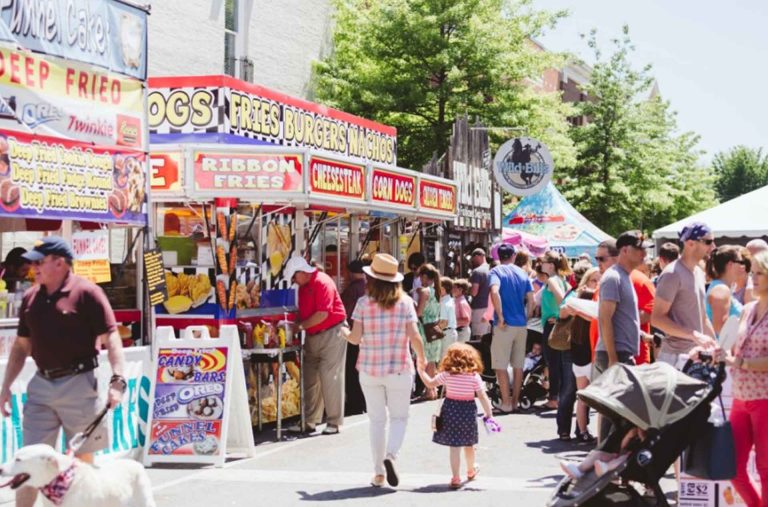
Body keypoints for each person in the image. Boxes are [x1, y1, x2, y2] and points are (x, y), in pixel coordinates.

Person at [0, 237, 126, 507]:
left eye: (39, 261)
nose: (33, 267)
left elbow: (111, 337)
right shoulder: (32, 297)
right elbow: (22, 345)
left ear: (60, 263)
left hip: (80, 384)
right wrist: (6, 386)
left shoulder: (87, 293)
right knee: (28, 463)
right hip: (41, 385)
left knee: (82, 468)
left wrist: (118, 379)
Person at [344, 253, 426, 488]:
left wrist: (344, 333)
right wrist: (422, 359)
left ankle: (379, 473)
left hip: (369, 370)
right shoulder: (406, 302)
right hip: (399, 368)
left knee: (377, 421)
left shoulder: (363, 303)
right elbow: (415, 336)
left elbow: (355, 338)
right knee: (400, 417)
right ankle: (391, 455)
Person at [594, 231, 649, 442]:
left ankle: (605, 464)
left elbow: (620, 318)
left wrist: (641, 335)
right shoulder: (613, 277)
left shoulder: (623, 276)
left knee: (617, 415)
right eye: (640, 249)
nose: (645, 254)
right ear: (625, 250)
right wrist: (613, 358)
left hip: (621, 353)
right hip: (616, 354)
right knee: (616, 415)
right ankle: (603, 462)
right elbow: (605, 319)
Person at [285, 255, 348, 434]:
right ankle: (309, 421)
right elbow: (306, 313)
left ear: (302, 272)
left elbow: (323, 314)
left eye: (294, 277)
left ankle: (334, 422)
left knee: (330, 377)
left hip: (332, 332)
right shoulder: (304, 287)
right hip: (313, 334)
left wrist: (299, 327)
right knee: (310, 377)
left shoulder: (322, 282)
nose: (294, 281)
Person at [417, 342, 494, 490]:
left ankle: (456, 477)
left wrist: (421, 371)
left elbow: (431, 383)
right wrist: (488, 413)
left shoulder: (447, 375)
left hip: (451, 409)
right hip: (467, 411)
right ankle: (471, 470)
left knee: (454, 446)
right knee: (469, 444)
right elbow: (482, 396)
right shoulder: (474, 376)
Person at [724, 249, 768, 506]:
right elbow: (732, 345)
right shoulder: (748, 308)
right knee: (733, 466)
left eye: (760, 273)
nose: (754, 278)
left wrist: (740, 362)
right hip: (741, 398)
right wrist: (715, 348)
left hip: (764, 398)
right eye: (753, 273)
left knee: (765, 469)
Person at [651, 222, 718, 370]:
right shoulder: (672, 273)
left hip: (695, 356)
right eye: (708, 242)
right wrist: (694, 335)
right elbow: (657, 319)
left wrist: (716, 346)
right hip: (674, 357)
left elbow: (703, 317)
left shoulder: (699, 273)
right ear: (690, 243)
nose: (713, 247)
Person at [489, 244, 533, 413]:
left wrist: (500, 316)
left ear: (499, 256)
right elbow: (531, 299)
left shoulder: (496, 272)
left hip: (505, 325)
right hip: (521, 324)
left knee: (500, 365)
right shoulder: (523, 273)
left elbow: (494, 291)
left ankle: (506, 403)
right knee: (518, 365)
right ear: (513, 256)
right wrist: (526, 317)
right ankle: (515, 402)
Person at [562, 266, 600, 442]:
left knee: (581, 398)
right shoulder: (593, 319)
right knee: (595, 399)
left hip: (578, 360)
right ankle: (587, 432)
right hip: (589, 359)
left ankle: (582, 431)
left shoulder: (577, 320)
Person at [539, 250, 572, 415]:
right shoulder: (562, 280)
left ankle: (554, 398)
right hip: (558, 324)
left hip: (553, 325)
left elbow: (563, 300)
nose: (541, 263)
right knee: (559, 363)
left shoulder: (552, 280)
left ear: (551, 265)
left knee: (553, 363)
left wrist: (559, 315)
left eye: (544, 261)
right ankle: (557, 397)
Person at [560, 427, 646, 480]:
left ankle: (606, 467)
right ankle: (579, 469)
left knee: (623, 458)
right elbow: (623, 447)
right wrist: (629, 436)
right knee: (597, 454)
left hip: (632, 459)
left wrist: (642, 437)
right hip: (619, 454)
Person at [341, 260, 368, 416]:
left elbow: (346, 312)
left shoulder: (352, 290)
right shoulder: (368, 287)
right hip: (367, 334)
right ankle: (363, 402)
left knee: (351, 370)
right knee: (360, 370)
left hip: (353, 333)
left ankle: (355, 403)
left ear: (350, 272)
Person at [705, 245, 745, 336]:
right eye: (741, 262)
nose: (743, 266)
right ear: (730, 264)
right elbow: (721, 329)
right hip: (724, 349)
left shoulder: (721, 287)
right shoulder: (721, 290)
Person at [416, 263, 442, 400]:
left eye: (421, 277)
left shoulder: (425, 291)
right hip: (435, 327)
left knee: (423, 359)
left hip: (424, 327)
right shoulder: (437, 290)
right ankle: (432, 389)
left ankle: (429, 390)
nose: (420, 280)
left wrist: (412, 303)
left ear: (425, 276)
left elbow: (419, 312)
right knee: (432, 361)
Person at [469, 248, 492, 340]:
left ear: (478, 256)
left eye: (473, 258)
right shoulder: (491, 269)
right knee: (487, 335)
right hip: (490, 308)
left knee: (479, 336)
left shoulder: (477, 272)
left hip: (479, 308)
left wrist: (467, 290)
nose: (472, 261)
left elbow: (474, 292)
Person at [438, 277, 458, 357]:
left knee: (444, 360)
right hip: (451, 333)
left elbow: (444, 323)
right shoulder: (450, 299)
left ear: (443, 289)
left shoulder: (444, 303)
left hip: (446, 335)